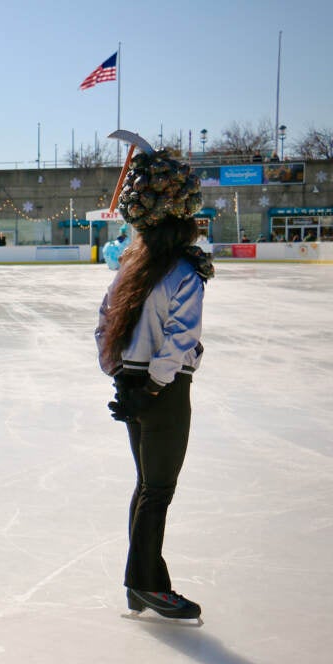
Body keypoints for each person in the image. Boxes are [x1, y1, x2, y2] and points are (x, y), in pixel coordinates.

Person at [96, 148, 214, 621]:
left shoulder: (131, 271)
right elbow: (181, 339)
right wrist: (155, 387)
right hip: (164, 394)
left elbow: (105, 325)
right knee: (158, 489)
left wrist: (122, 378)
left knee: (147, 485)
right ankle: (146, 585)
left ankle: (143, 582)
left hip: (134, 385)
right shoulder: (185, 273)